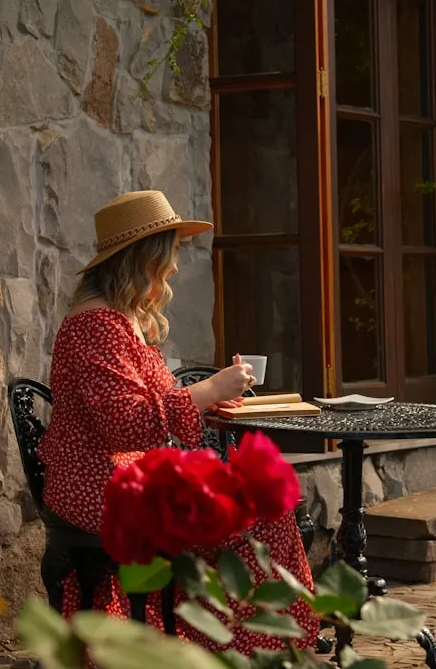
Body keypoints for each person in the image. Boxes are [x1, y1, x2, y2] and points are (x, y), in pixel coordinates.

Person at [38, 190, 320, 655]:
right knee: (259, 520)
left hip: (126, 478)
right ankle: (247, 652)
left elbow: (160, 404)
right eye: (169, 255)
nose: (174, 268)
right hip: (98, 485)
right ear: (142, 259)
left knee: (263, 509)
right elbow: (128, 426)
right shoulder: (96, 326)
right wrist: (209, 389)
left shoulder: (121, 321)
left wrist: (216, 400)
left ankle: (240, 650)